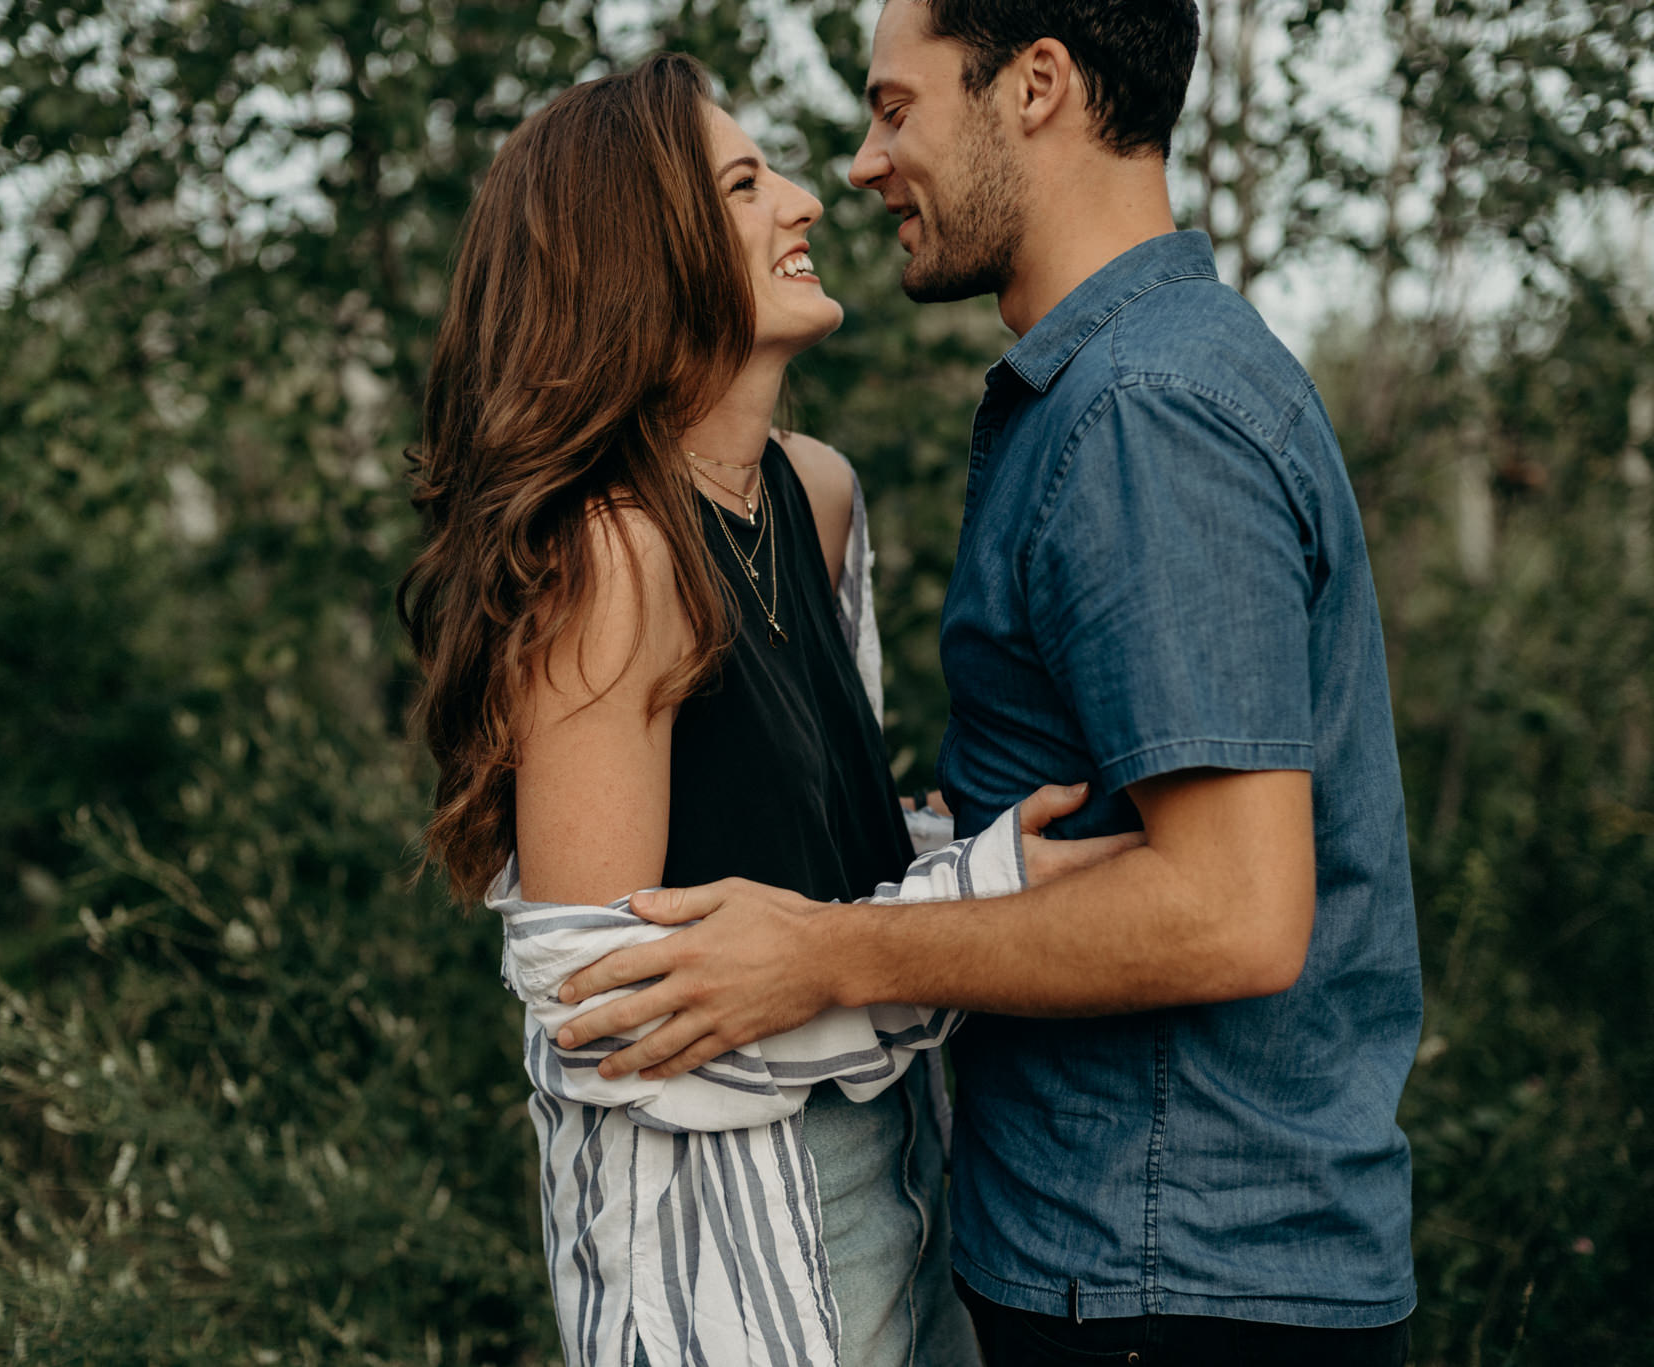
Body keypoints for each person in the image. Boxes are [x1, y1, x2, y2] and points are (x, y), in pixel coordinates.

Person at [553, 5, 1424, 1365]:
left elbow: (1234, 912)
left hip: (1169, 1282)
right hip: (1129, 1263)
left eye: (896, 109)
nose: (856, 165)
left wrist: (825, 950)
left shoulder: (1145, 409)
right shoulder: (1106, 393)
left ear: (1035, 87)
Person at [397, 53, 1129, 1367]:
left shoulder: (821, 496)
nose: (802, 200)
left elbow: (825, 864)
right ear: (646, 251)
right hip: (718, 1241)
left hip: (917, 1171)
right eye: (745, 183)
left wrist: (951, 869)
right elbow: (601, 1010)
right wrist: (989, 897)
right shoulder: (610, 558)